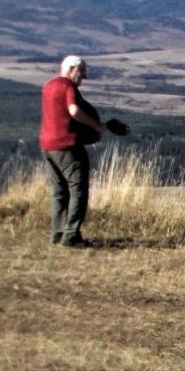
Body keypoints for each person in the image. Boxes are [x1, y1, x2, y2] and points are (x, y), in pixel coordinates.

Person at [39, 55, 128, 248]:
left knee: (59, 192)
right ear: (72, 69)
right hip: (68, 145)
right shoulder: (67, 86)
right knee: (78, 190)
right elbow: (73, 110)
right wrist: (97, 126)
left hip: (47, 145)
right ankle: (71, 236)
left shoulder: (49, 85)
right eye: (82, 73)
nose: (83, 78)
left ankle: (58, 233)